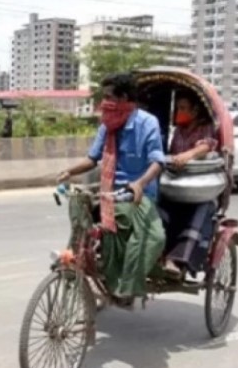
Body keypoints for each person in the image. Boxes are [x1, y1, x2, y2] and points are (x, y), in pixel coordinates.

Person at [56, 73, 166, 307]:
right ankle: (78, 256)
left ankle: (127, 284)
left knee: (153, 237)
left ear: (123, 98)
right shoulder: (107, 125)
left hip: (139, 194)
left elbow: (157, 160)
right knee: (80, 207)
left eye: (108, 97)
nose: (104, 102)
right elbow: (92, 158)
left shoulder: (147, 123)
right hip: (110, 191)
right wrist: (69, 171)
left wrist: (140, 183)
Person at [160, 92, 219, 277]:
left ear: (195, 110)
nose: (179, 112)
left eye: (183, 108)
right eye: (177, 108)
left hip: (200, 189)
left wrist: (188, 155)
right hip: (177, 186)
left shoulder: (205, 127)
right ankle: (157, 254)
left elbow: (207, 145)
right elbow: (171, 154)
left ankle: (177, 259)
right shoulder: (178, 130)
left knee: (199, 210)